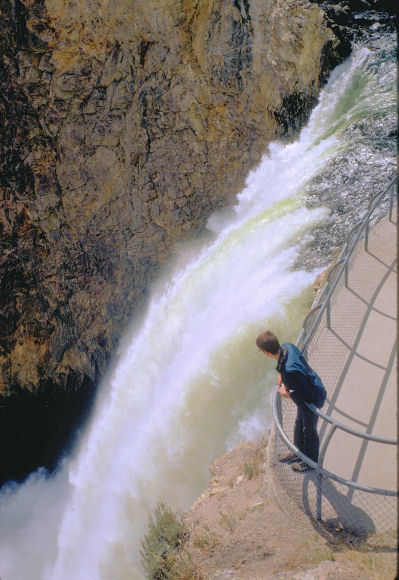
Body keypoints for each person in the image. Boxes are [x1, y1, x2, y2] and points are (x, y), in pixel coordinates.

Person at [256, 330, 327, 473]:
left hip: (312, 401)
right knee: (298, 425)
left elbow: (305, 395)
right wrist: (281, 374)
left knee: (309, 432)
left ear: (266, 353)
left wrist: (285, 393)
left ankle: (310, 463)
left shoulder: (289, 372)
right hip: (313, 386)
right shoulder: (287, 347)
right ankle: (299, 454)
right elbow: (287, 365)